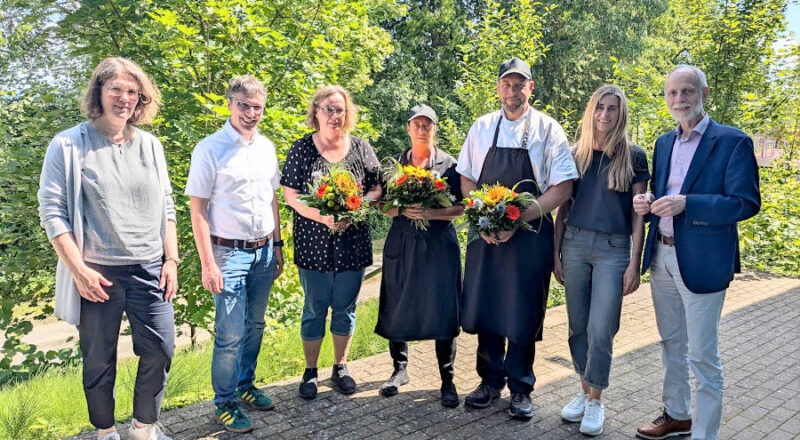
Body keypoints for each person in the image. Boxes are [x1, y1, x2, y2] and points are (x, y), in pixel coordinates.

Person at [37, 57, 177, 440]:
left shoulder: (149, 144)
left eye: (133, 91)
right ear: (98, 92)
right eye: (116, 89)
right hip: (97, 273)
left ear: (141, 99)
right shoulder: (69, 144)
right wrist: (78, 270)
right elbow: (52, 214)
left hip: (150, 267)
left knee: (162, 349)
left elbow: (167, 205)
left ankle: (143, 427)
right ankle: (106, 431)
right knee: (99, 361)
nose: (124, 98)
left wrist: (172, 259)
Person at [633, 65, 760, 440]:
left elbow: (745, 202)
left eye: (687, 91)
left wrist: (688, 204)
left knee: (702, 356)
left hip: (703, 262)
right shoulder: (663, 143)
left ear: (704, 94)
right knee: (672, 343)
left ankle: (705, 434)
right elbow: (666, 191)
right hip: (661, 257)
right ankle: (677, 415)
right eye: (672, 93)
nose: (679, 100)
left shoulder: (733, 141)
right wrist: (649, 201)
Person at [456, 57, 578, 419]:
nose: (513, 89)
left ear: (531, 87)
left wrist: (516, 218)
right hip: (486, 236)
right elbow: (466, 178)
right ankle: (490, 382)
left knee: (523, 311)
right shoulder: (481, 127)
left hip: (530, 236)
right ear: (498, 88)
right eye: (507, 83)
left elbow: (563, 187)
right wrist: (486, 218)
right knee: (488, 306)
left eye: (519, 83)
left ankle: (521, 388)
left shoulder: (548, 129)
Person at [185, 75, 283, 434]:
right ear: (230, 104)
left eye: (257, 107)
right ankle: (223, 403)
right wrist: (207, 262)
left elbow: (272, 198)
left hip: (263, 252)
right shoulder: (209, 148)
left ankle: (245, 386)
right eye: (244, 105)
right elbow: (198, 209)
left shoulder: (266, 147)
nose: (251, 113)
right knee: (229, 333)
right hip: (227, 254)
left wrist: (278, 245)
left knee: (255, 325)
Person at [552, 85, 649, 436]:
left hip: (613, 248)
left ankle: (596, 400)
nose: (605, 115)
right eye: (599, 108)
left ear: (620, 114)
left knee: (601, 327)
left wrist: (634, 263)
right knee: (577, 325)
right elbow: (562, 209)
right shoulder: (576, 154)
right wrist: (556, 255)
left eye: (612, 109)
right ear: (591, 112)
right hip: (575, 245)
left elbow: (639, 215)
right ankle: (582, 391)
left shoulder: (634, 157)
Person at [281, 85, 382, 400]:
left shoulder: (361, 147)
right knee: (314, 309)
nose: (334, 115)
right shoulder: (301, 150)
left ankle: (340, 366)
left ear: (347, 113)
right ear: (316, 112)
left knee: (345, 309)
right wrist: (321, 216)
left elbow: (377, 189)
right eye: (328, 109)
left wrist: (356, 207)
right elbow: (290, 195)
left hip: (352, 243)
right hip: (314, 242)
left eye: (340, 109)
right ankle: (310, 372)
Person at [374, 104, 464, 408]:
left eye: (428, 124)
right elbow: (381, 206)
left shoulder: (450, 165)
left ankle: (447, 378)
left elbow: (462, 207)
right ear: (408, 128)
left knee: (442, 307)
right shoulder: (395, 165)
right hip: (402, 241)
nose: (422, 129)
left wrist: (431, 213)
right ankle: (399, 370)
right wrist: (401, 210)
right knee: (397, 302)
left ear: (435, 128)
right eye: (417, 124)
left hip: (439, 244)